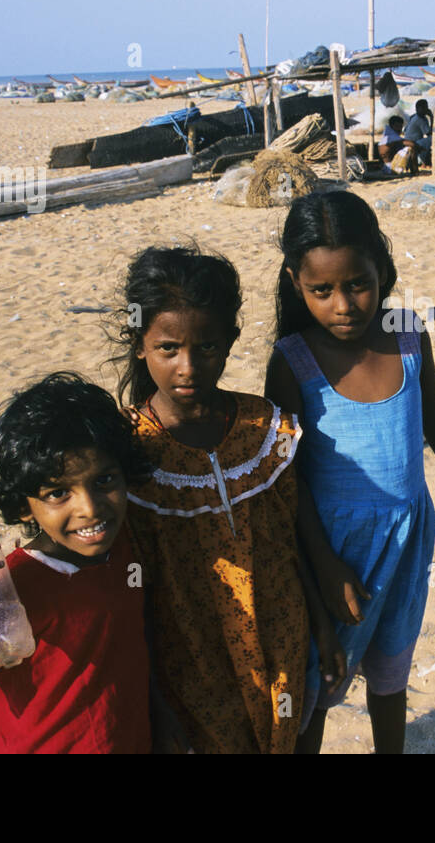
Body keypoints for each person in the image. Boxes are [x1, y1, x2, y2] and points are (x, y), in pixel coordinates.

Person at [265, 191, 435, 754]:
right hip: (334, 550)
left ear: (381, 270)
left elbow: (432, 412)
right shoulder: (292, 362)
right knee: (320, 683)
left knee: (391, 672)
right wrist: (326, 566)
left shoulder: (408, 336)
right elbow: (287, 481)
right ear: (296, 283)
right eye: (322, 290)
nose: (344, 305)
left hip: (408, 538)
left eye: (357, 283)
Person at [114, 245, 330, 754]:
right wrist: (150, 697)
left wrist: (323, 627)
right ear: (139, 343)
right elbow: (127, 581)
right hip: (189, 655)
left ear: (230, 341)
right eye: (168, 348)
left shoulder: (264, 429)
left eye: (206, 348)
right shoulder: (126, 451)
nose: (188, 367)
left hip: (280, 635)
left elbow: (295, 529)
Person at [0, 372, 156, 753]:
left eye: (104, 480)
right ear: (24, 507)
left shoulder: (125, 546)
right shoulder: (12, 586)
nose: (90, 509)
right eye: (58, 493)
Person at [403, 98, 432, 165]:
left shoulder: (414, 116)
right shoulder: (420, 119)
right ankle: (423, 161)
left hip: (412, 142)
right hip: (413, 143)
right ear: (418, 109)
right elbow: (428, 133)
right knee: (431, 139)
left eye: (426, 108)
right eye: (424, 108)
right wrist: (432, 117)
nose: (426, 110)